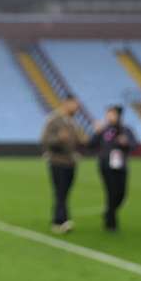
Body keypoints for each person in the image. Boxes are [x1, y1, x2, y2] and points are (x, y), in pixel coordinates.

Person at [88, 105, 137, 231]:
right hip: (106, 165)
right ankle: (111, 223)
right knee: (111, 192)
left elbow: (134, 144)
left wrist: (126, 143)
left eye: (112, 113)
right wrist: (96, 132)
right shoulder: (103, 130)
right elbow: (91, 144)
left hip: (121, 165)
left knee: (121, 194)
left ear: (118, 115)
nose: (109, 116)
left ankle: (109, 212)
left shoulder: (126, 130)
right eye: (108, 114)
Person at [40, 95, 84, 234]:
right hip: (57, 161)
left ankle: (60, 219)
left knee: (65, 192)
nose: (77, 107)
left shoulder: (72, 122)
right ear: (66, 103)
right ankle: (61, 221)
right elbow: (46, 140)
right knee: (60, 191)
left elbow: (77, 141)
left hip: (71, 162)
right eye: (74, 104)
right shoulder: (54, 120)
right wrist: (59, 139)